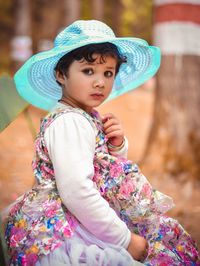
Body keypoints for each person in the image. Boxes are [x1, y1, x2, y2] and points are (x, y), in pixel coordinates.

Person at [4, 20, 199, 266]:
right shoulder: (69, 123)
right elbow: (77, 191)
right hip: (69, 230)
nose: (100, 82)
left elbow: (101, 169)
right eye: (88, 71)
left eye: (108, 73)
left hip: (85, 217)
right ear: (61, 74)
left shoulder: (84, 117)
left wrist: (116, 146)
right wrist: (126, 239)